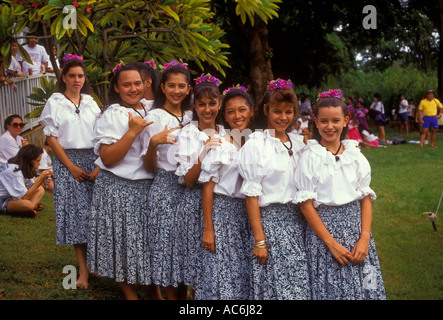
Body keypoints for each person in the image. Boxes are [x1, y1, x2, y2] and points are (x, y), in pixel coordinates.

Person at [294, 89, 386, 300]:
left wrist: (364, 238)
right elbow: (306, 206)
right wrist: (332, 245)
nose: (329, 126)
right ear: (316, 122)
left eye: (335, 121)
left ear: (345, 121)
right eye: (324, 121)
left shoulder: (355, 156)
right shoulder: (310, 157)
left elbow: (365, 199)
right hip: (325, 235)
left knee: (367, 285)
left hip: (357, 232)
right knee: (332, 290)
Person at [238, 79, 310, 300]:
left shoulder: (299, 144)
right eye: (277, 111)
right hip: (270, 225)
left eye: (288, 112)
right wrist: (260, 240)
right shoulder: (256, 144)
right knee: (275, 286)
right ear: (267, 110)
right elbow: (251, 196)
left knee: (298, 284)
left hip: (298, 223)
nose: (283, 117)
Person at [87, 63, 153, 299]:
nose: (133, 89)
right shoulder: (113, 114)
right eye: (126, 84)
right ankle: (129, 292)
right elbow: (107, 157)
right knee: (122, 243)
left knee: (141, 243)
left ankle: (149, 289)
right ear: (117, 87)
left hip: (144, 188)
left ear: (146, 84)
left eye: (137, 83)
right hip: (118, 187)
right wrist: (132, 132)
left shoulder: (148, 109)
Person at [39, 54, 101, 290]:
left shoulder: (90, 101)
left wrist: (98, 165)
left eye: (81, 76)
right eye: (72, 76)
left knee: (95, 216)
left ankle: (96, 263)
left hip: (93, 160)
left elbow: (101, 134)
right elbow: (51, 139)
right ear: (64, 77)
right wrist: (71, 167)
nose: (77, 80)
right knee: (77, 217)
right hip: (68, 161)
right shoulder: (55, 101)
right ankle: (83, 271)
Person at [141, 60, 193, 300]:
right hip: (164, 186)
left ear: (189, 88)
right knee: (168, 248)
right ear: (162, 87)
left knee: (186, 246)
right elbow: (149, 166)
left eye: (181, 86)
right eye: (171, 85)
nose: (176, 91)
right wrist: (154, 143)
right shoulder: (154, 117)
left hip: (191, 188)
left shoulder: (193, 116)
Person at [196, 86, 254, 300]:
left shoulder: (256, 143)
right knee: (221, 272)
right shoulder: (221, 144)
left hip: (247, 215)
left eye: (242, 110)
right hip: (222, 214)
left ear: (251, 111)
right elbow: (208, 188)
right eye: (231, 112)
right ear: (225, 115)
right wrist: (208, 229)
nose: (237, 116)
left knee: (243, 271)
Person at [173, 74, 225, 298]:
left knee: (212, 266)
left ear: (219, 104)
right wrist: (204, 151)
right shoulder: (187, 134)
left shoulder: (226, 132)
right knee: (193, 262)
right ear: (194, 105)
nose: (207, 109)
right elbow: (188, 180)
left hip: (220, 204)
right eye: (202, 104)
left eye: (212, 104)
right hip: (194, 203)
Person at [0, 144, 52, 218]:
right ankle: (26, 209)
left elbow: (31, 185)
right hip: (2, 199)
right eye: (37, 160)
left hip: (9, 196)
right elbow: (24, 198)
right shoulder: (15, 172)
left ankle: (28, 209)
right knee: (27, 204)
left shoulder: (20, 167)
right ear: (29, 160)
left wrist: (42, 179)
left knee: (40, 189)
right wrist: (40, 178)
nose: (39, 163)